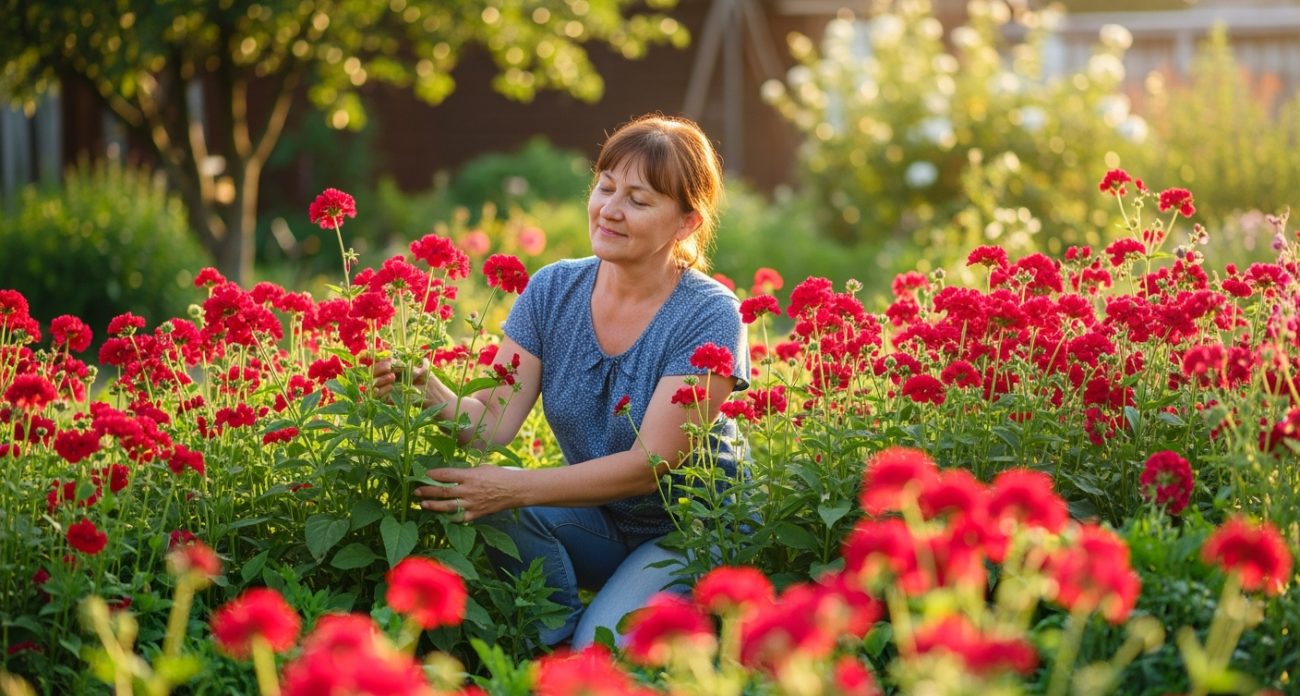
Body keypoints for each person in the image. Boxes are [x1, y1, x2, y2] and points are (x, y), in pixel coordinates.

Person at [372, 114, 749, 648]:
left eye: (638, 201)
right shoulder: (553, 290)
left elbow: (653, 464)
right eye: (605, 187)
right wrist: (428, 389)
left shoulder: (708, 314)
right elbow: (491, 426)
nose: (610, 210)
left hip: (690, 530)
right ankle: (548, 643)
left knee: (603, 649)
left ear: (686, 223)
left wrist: (512, 487)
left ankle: (589, 645)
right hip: (600, 518)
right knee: (474, 500)